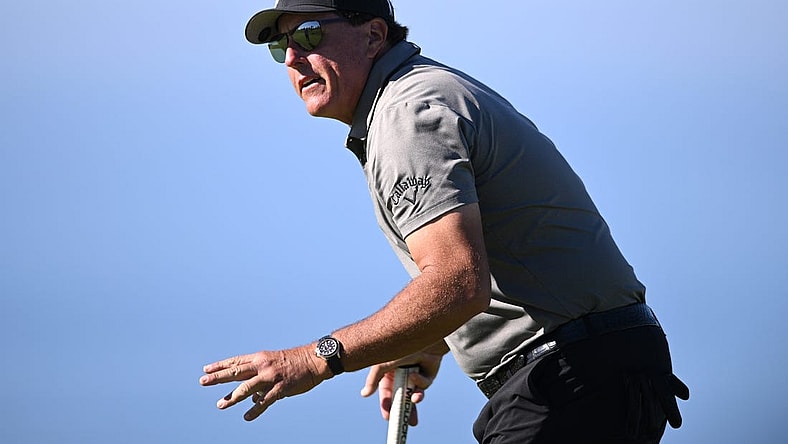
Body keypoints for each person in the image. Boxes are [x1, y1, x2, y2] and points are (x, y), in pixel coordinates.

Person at [199, 1, 690, 442]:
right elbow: (494, 267)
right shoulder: (419, 94)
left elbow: (459, 283)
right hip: (601, 369)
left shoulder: (405, 113)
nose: (291, 58)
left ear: (373, 35)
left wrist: (315, 357)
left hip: (570, 377)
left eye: (308, 34)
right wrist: (429, 340)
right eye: (280, 46)